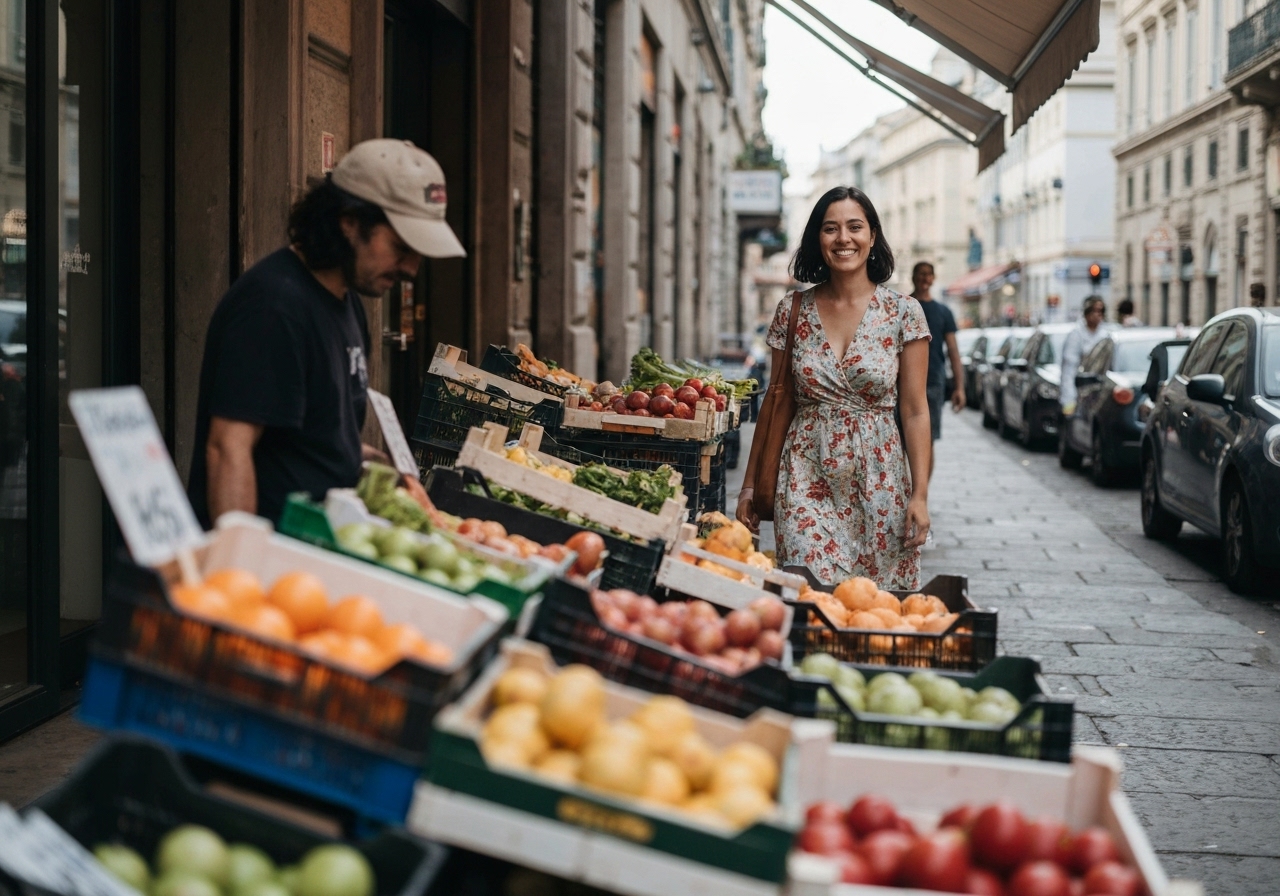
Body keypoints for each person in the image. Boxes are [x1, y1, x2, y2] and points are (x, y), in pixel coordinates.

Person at [188, 139, 466, 526]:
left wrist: (389, 474)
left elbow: (323, 442)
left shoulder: (347, 304)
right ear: (349, 222)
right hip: (279, 556)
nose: (411, 270)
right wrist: (244, 567)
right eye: (401, 248)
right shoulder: (273, 305)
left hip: (322, 540)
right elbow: (227, 450)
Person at [735, 186, 932, 589]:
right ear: (817, 239)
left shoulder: (903, 313)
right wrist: (750, 486)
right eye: (831, 229)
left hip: (881, 486)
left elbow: (915, 411)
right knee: (808, 598)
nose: (843, 239)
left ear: (872, 236)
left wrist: (920, 495)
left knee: (874, 611)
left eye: (854, 227)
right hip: (805, 480)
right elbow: (776, 402)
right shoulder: (792, 310)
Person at [908, 261, 964, 480]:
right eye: (920, 274)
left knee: (926, 440)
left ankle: (921, 494)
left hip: (933, 382)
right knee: (900, 439)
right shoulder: (902, 306)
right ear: (913, 277)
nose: (924, 278)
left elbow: (953, 351)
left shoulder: (943, 312)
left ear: (933, 278)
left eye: (928, 274)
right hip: (901, 382)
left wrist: (959, 387)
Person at [1059, 295, 1107, 418]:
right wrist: (1069, 399)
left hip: (1101, 393)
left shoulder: (1106, 334)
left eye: (1101, 311)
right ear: (1086, 313)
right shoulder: (1076, 335)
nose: (1098, 315)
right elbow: (1069, 369)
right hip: (1080, 393)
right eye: (1094, 311)